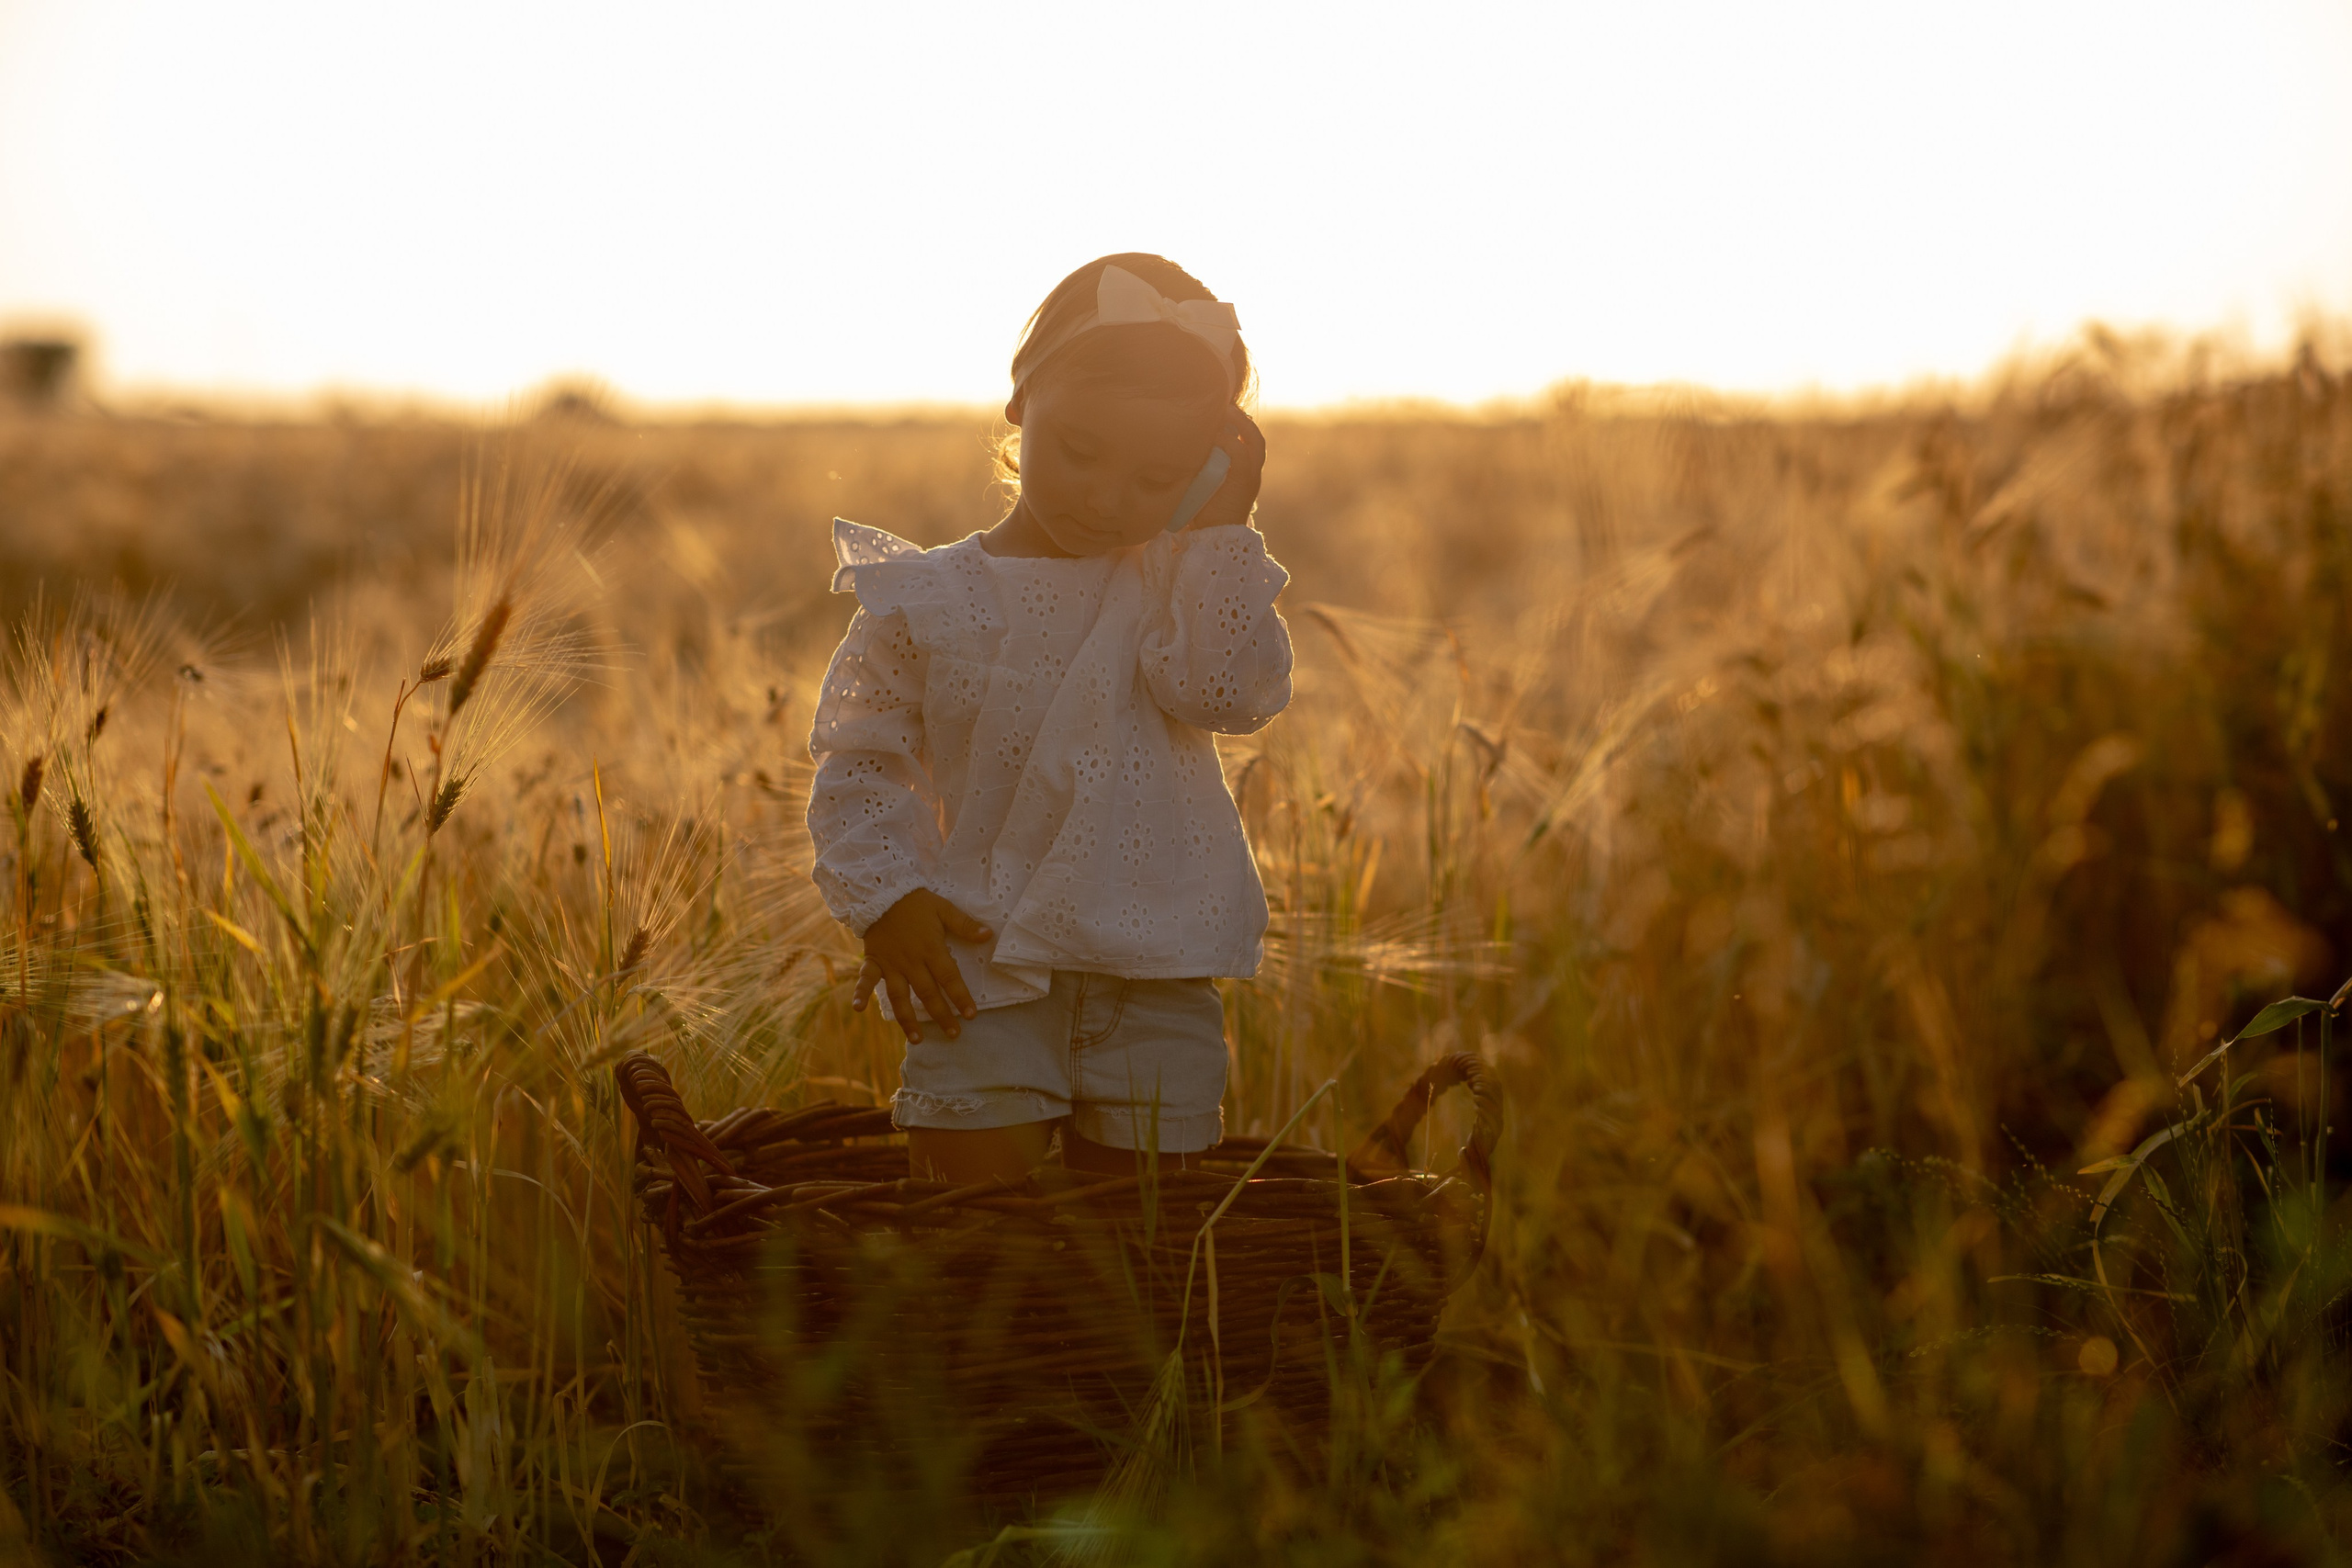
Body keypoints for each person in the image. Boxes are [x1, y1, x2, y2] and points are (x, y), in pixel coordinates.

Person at [805, 254, 1292, 1186]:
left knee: (1141, 1248)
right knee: (974, 1232)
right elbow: (861, 764)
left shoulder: (1185, 589)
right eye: (1079, 451)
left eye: (1158, 477)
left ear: (1207, 469)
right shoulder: (929, 599)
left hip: (1159, 976)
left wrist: (1222, 533)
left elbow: (1227, 695)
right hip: (981, 973)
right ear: (1021, 400)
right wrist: (887, 898)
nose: (1106, 497)